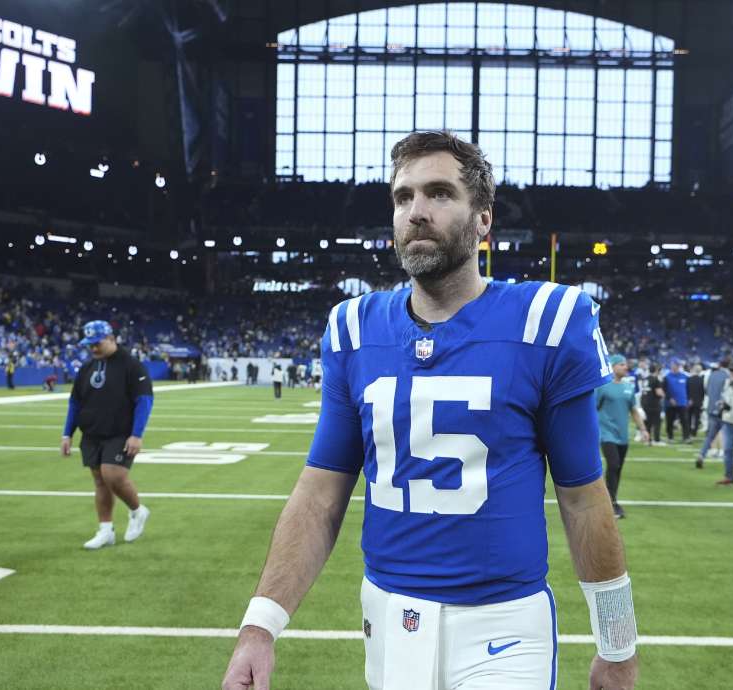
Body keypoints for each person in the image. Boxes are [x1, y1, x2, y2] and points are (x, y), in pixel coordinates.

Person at [222, 131, 639, 690]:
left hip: (504, 625)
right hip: (388, 619)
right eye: (403, 197)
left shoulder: (547, 321)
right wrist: (260, 625)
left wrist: (617, 643)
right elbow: (320, 492)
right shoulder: (353, 328)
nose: (417, 212)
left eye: (439, 193)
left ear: (483, 220)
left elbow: (583, 498)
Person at [60, 320, 154, 549]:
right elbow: (75, 403)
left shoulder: (131, 365)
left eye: (97, 343)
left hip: (120, 432)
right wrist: (67, 433)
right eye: (89, 344)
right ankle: (105, 531)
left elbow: (144, 400)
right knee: (100, 482)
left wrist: (136, 434)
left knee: (113, 476)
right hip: (92, 432)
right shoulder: (87, 368)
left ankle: (137, 511)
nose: (93, 348)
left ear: (111, 339)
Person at [596, 354, 650, 519]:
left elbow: (634, 410)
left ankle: (611, 500)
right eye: (621, 365)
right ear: (612, 367)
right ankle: (610, 503)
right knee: (613, 464)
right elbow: (592, 409)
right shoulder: (602, 386)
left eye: (626, 364)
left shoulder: (628, 387)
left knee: (618, 469)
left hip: (623, 435)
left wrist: (643, 429)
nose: (626, 367)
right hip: (606, 434)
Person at [695, 357, 730, 469]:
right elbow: (728, 394)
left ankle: (701, 454)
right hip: (723, 410)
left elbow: (707, 391)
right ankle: (728, 459)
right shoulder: (728, 376)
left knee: (710, 436)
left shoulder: (711, 375)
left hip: (711, 407)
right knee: (729, 435)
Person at [663, 359, 690, 443]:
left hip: (682, 402)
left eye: (678, 365)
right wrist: (670, 398)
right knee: (670, 421)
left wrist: (689, 399)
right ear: (671, 366)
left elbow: (689, 389)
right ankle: (670, 437)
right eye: (675, 365)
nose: (676, 367)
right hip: (670, 403)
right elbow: (664, 390)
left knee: (684, 421)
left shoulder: (685, 377)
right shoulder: (666, 377)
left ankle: (686, 437)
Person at [640, 361, 664, 444]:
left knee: (648, 422)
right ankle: (656, 440)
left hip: (645, 402)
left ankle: (648, 439)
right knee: (657, 422)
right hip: (654, 404)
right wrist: (664, 395)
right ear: (657, 370)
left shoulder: (645, 378)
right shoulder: (656, 379)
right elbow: (659, 393)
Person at [687, 362, 705, 439]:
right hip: (698, 401)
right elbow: (703, 392)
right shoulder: (702, 380)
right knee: (697, 418)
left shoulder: (688, 379)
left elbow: (686, 391)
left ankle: (688, 431)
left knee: (688, 417)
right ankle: (694, 433)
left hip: (689, 401)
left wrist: (689, 399)